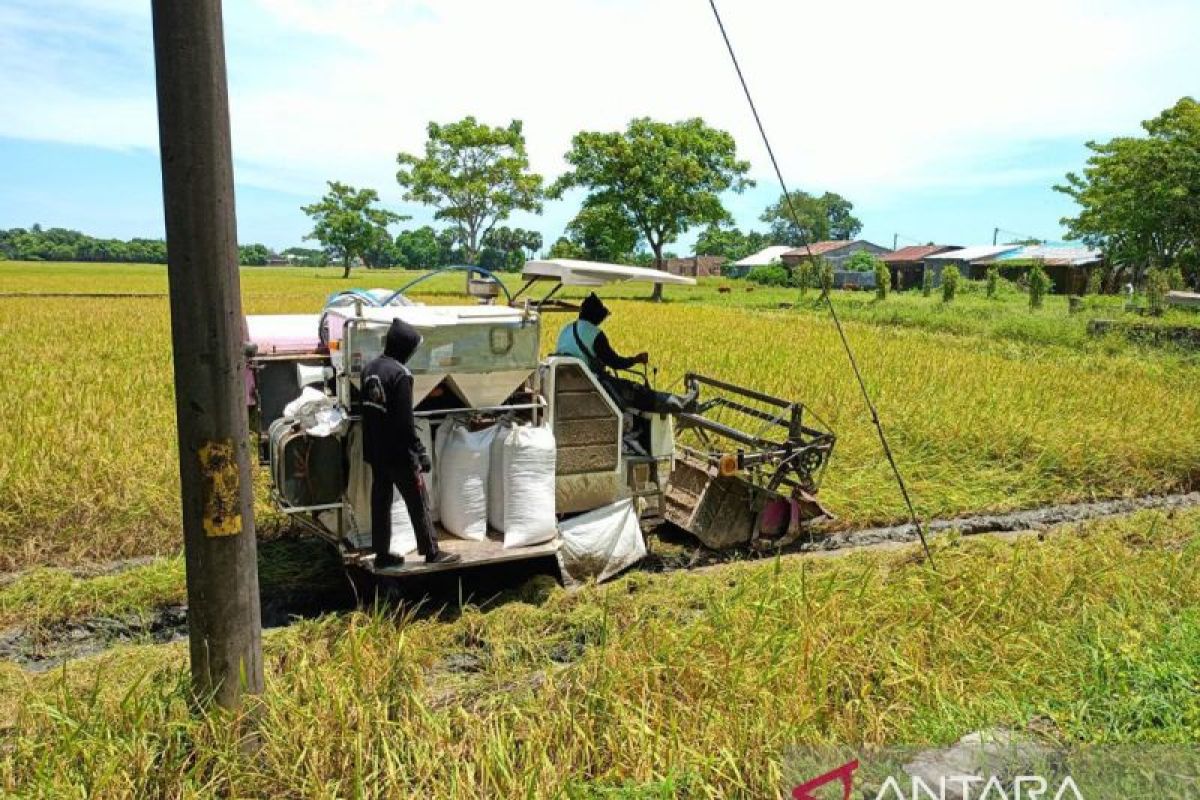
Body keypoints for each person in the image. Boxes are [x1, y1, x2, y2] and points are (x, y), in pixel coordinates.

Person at [362, 318, 460, 569]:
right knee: (418, 501)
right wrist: (419, 453)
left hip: (375, 450)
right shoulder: (401, 375)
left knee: (380, 502)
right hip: (398, 453)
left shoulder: (369, 369)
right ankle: (431, 552)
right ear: (404, 348)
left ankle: (382, 555)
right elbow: (405, 421)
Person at [555, 293, 697, 415]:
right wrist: (635, 359)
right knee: (636, 391)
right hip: (589, 384)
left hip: (565, 382)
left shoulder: (566, 329)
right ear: (596, 316)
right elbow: (615, 362)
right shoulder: (595, 334)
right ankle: (684, 403)